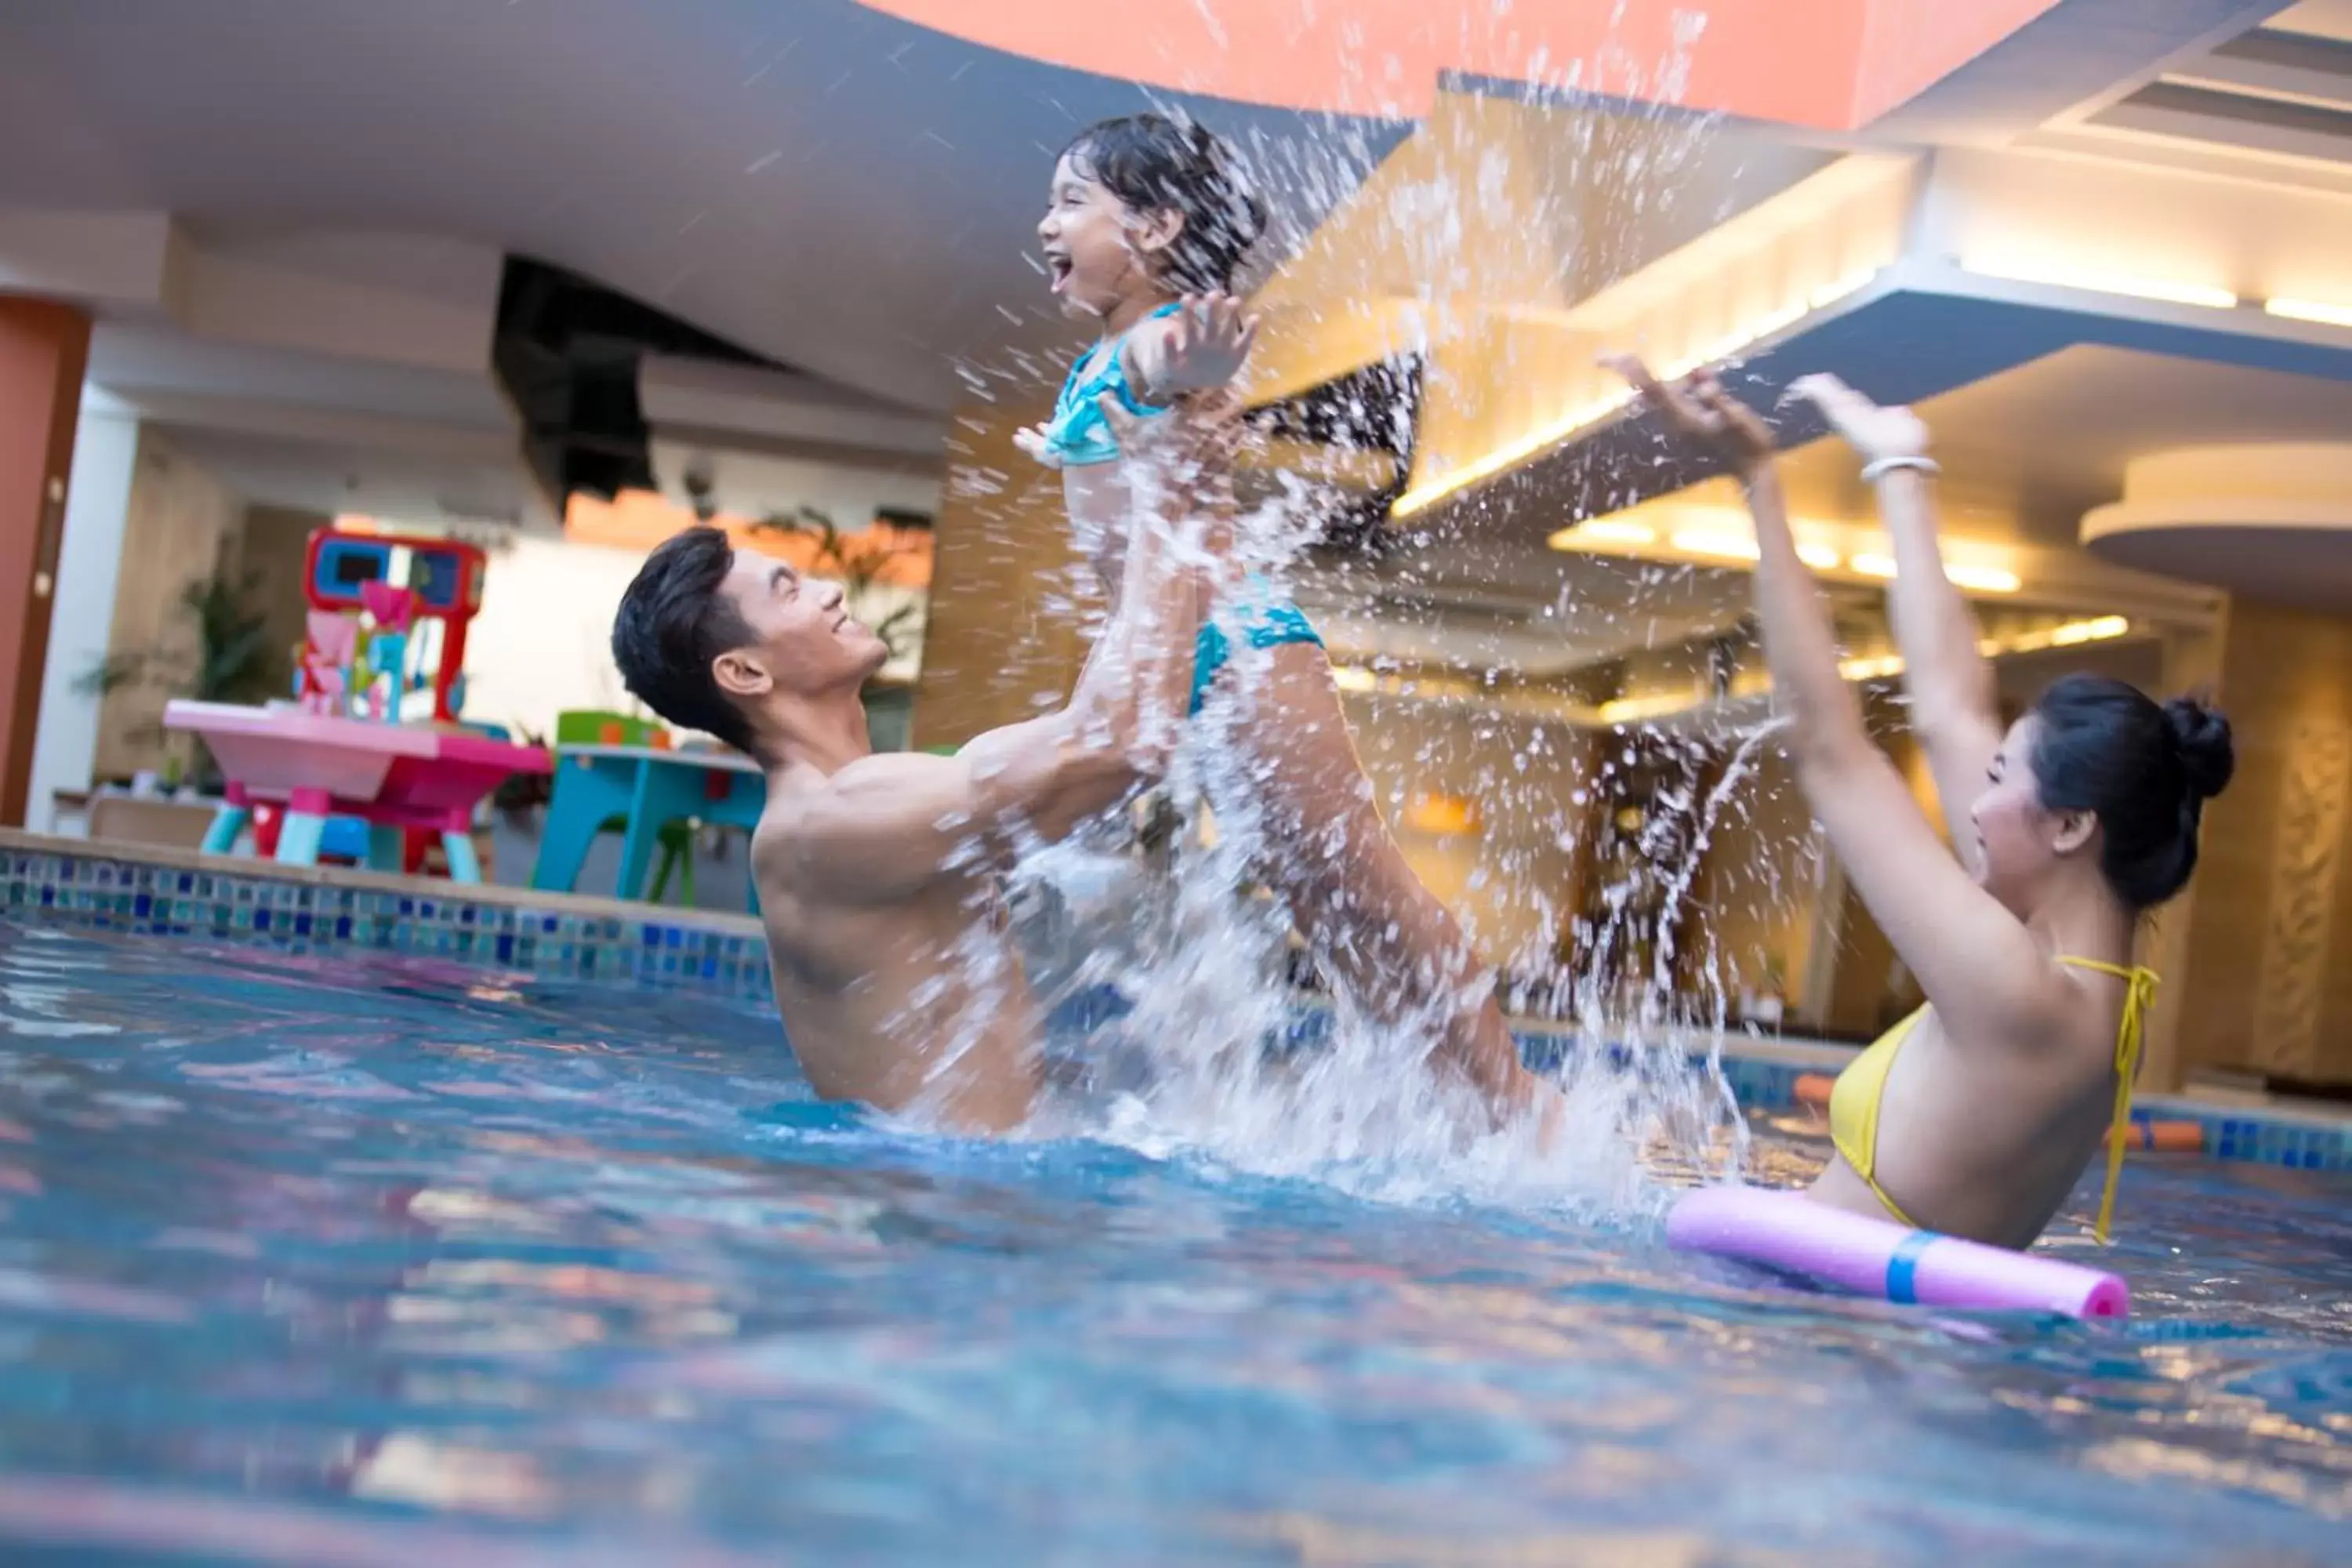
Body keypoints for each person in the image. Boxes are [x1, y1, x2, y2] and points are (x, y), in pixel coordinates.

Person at [1602, 355, 2234, 1248]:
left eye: (2000, 780)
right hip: (1876, 1345)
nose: (1972, 807)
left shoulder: (2020, 995)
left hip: (1842, 1350)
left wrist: (1759, 482)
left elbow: (1831, 750)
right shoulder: (2081, 993)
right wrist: (1898, 468)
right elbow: (1950, 705)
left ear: (2069, 825)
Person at [1022, 111, 1549, 1128]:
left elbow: (1169, 363)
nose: (1048, 224)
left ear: (1157, 228)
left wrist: (1189, 374)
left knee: (1366, 884)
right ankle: (1440, 1097)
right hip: (1177, 653)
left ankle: (1519, 1101)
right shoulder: (1103, 352)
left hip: (1240, 646)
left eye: (1072, 202)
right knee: (1318, 902)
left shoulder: (1154, 338)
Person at [609, 383, 1243, 1133]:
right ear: (745, 673)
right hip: (947, 1209)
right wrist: (1166, 486)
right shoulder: (834, 822)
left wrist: (1187, 486)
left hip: (969, 1193)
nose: (828, 592)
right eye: (789, 593)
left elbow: (1119, 741)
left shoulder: (881, 806)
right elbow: (1127, 733)